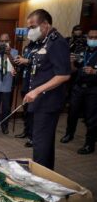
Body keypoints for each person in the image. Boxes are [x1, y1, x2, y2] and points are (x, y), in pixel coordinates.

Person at [23, 9, 71, 170]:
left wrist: (36, 91)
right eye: (29, 27)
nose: (30, 31)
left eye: (33, 26)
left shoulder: (57, 42)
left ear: (45, 24)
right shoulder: (44, 42)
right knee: (44, 141)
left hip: (48, 102)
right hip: (41, 101)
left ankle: (40, 178)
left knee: (41, 142)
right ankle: (47, 174)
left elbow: (63, 75)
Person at [60, 25, 97, 154]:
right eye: (90, 37)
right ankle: (69, 134)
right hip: (78, 87)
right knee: (72, 113)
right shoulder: (82, 50)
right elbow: (74, 70)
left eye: (95, 38)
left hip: (93, 90)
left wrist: (94, 72)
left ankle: (89, 144)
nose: (92, 39)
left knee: (91, 118)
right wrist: (71, 62)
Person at [0, 33, 18, 135]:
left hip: (7, 82)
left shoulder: (14, 51)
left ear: (9, 41)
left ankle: (4, 127)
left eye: (6, 41)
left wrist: (8, 53)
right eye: (1, 41)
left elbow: (15, 63)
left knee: (6, 107)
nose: (4, 43)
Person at [14, 40, 40, 147]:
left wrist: (27, 61)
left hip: (34, 83)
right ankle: (26, 131)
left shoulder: (41, 47)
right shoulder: (27, 47)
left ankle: (32, 137)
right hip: (25, 82)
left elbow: (40, 64)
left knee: (32, 112)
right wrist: (18, 65)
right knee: (26, 111)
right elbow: (23, 64)